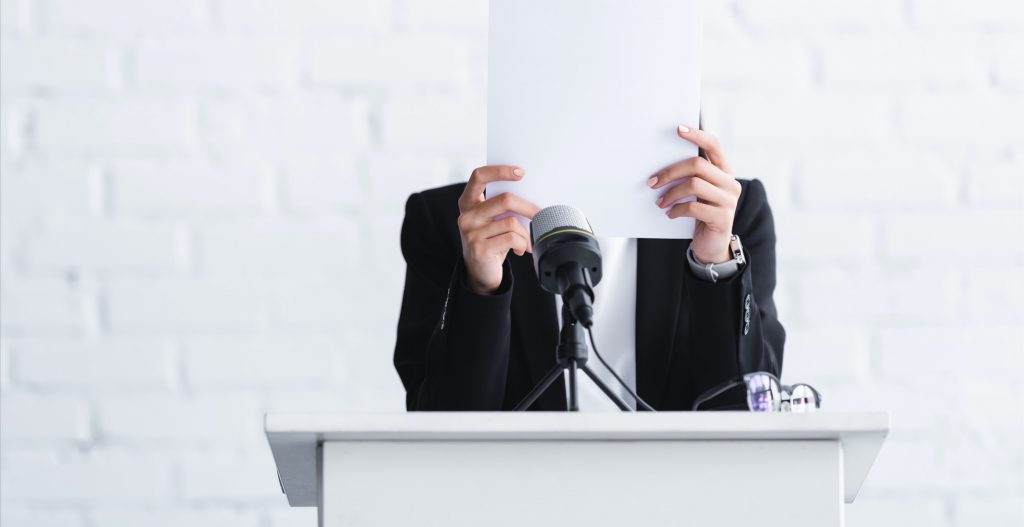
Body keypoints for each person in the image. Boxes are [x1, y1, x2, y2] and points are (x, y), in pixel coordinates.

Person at [394, 125, 785, 411]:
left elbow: (749, 409)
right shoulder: (456, 224)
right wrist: (480, 286)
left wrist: (714, 263)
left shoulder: (729, 212)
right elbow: (438, 427)